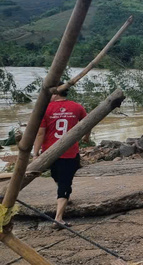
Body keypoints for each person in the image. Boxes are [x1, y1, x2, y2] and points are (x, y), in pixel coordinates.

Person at [33, 84, 90, 228]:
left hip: (50, 153)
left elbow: (40, 133)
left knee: (62, 181)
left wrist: (35, 152)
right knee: (60, 179)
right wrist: (86, 138)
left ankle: (58, 218)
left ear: (56, 94)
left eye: (51, 94)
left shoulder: (46, 109)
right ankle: (63, 196)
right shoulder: (77, 107)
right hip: (69, 153)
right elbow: (88, 123)